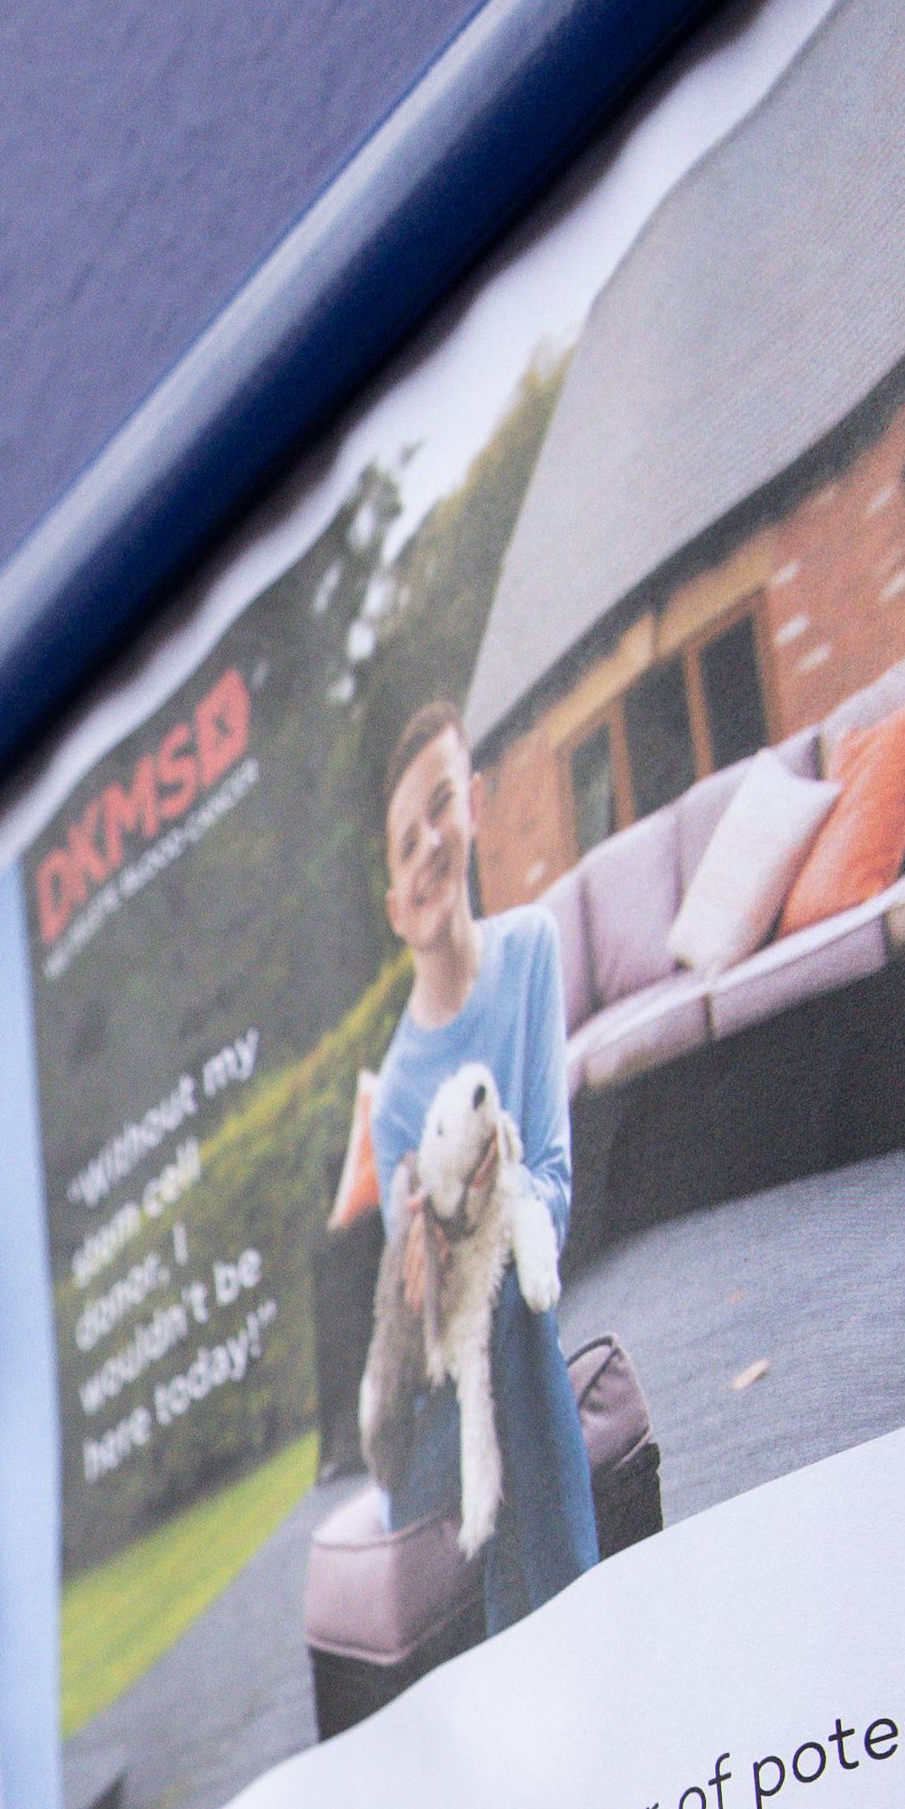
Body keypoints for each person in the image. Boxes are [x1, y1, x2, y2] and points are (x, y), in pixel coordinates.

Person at [354, 700, 601, 1633]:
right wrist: (438, 1250)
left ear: (478, 808)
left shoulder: (532, 950)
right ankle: (571, 1621)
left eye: (442, 808)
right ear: (391, 903)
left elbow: (553, 1192)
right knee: (495, 1313)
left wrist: (482, 1215)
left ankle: (524, 1639)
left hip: (513, 1332)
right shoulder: (395, 1100)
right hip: (442, 1413)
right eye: (404, 840)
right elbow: (418, 1334)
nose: (427, 847)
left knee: (514, 1305)